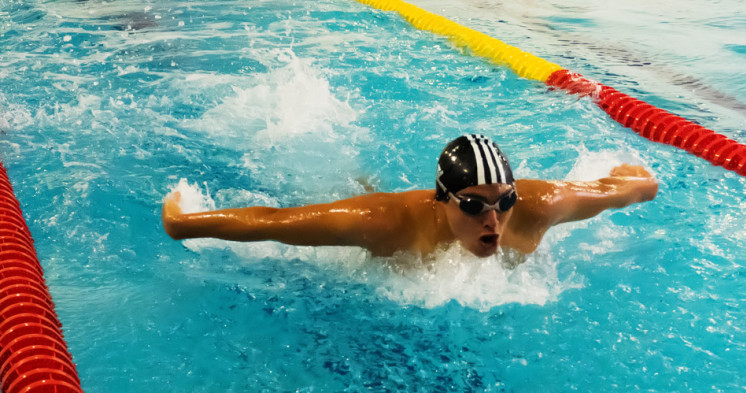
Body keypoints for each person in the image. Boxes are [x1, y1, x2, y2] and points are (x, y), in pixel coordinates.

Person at [162, 134, 658, 259]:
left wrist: (634, 176)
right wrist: (182, 223)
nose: (494, 219)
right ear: (442, 200)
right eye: (473, 205)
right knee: (356, 192)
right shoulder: (384, 224)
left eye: (503, 201)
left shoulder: (538, 207)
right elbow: (274, 220)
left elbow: (631, 188)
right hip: (382, 207)